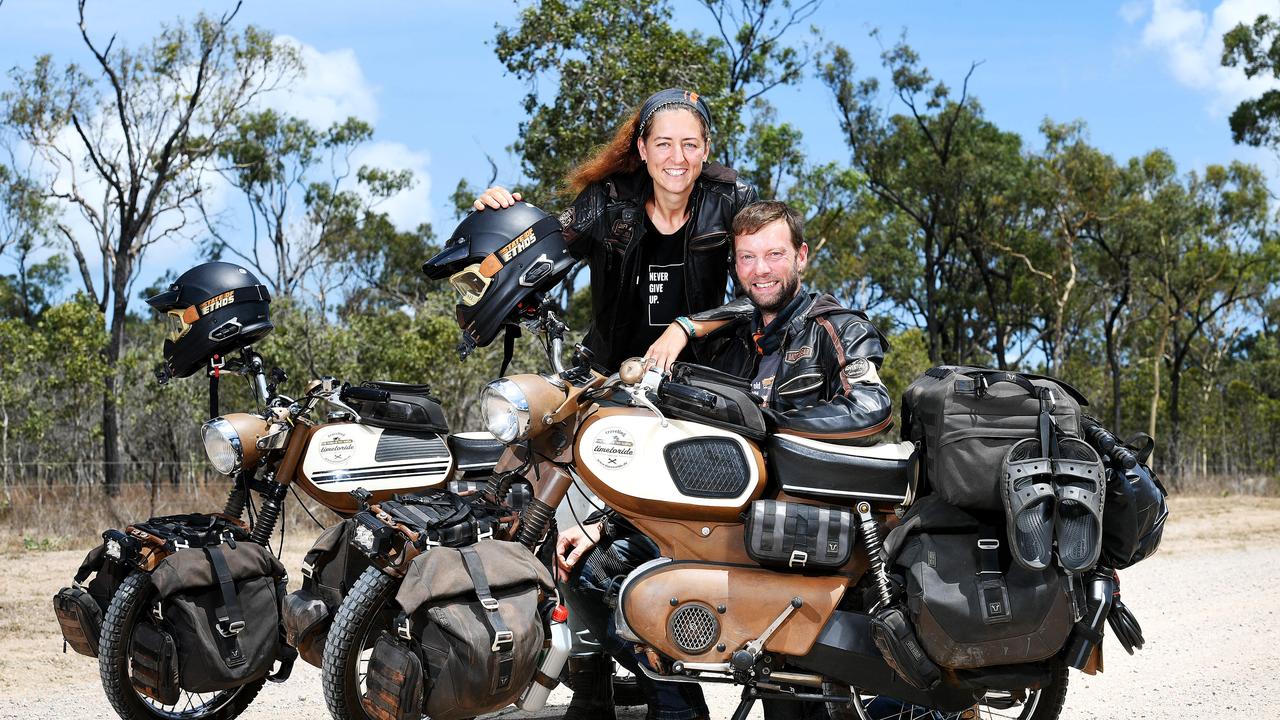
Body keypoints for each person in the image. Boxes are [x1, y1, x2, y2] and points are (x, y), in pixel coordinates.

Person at [557, 201, 894, 720]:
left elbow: (872, 409)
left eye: (775, 254)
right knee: (599, 569)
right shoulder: (728, 341)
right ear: (735, 266)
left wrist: (771, 423)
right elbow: (681, 449)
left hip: (799, 532)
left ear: (800, 257)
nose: (761, 270)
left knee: (796, 700)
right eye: (748, 258)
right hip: (721, 528)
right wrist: (606, 523)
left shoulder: (835, 328)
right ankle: (679, 709)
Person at [474, 87, 758, 372]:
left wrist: (685, 327)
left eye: (690, 145)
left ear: (706, 150)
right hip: (607, 376)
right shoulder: (606, 199)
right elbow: (542, 249)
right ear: (643, 149)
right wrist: (497, 218)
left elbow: (760, 293)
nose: (677, 157)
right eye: (663, 144)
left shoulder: (732, 199)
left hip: (701, 379)